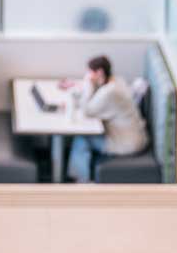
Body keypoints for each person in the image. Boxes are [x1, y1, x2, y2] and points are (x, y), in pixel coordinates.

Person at [61, 55, 148, 183]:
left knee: (82, 138)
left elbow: (88, 111)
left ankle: (81, 182)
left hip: (126, 144)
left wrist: (88, 86)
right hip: (137, 137)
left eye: (90, 73)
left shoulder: (110, 92)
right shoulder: (117, 81)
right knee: (83, 137)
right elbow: (96, 101)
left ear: (100, 72)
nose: (88, 76)